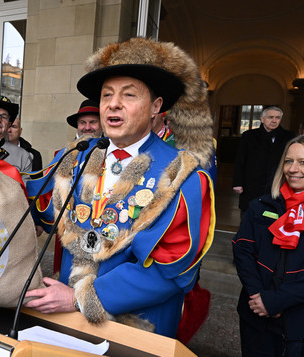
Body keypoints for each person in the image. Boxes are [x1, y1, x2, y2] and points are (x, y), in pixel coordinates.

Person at [24, 37, 215, 337]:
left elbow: (172, 271)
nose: (113, 103)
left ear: (156, 107)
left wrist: (78, 297)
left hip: (135, 327)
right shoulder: (74, 157)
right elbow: (43, 212)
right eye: (107, 95)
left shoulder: (182, 175)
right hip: (66, 322)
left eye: (129, 95)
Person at [233, 135, 304, 357]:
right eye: (288, 161)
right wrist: (259, 296)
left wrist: (276, 300)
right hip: (255, 316)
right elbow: (243, 251)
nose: (293, 169)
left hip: (299, 321)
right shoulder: (260, 205)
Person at [233, 106, 295, 212]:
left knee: (273, 216)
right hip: (252, 183)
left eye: (277, 118)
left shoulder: (289, 136)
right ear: (262, 119)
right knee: (248, 215)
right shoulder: (249, 136)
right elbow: (240, 160)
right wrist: (237, 182)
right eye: (270, 117)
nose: (274, 120)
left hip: (277, 183)